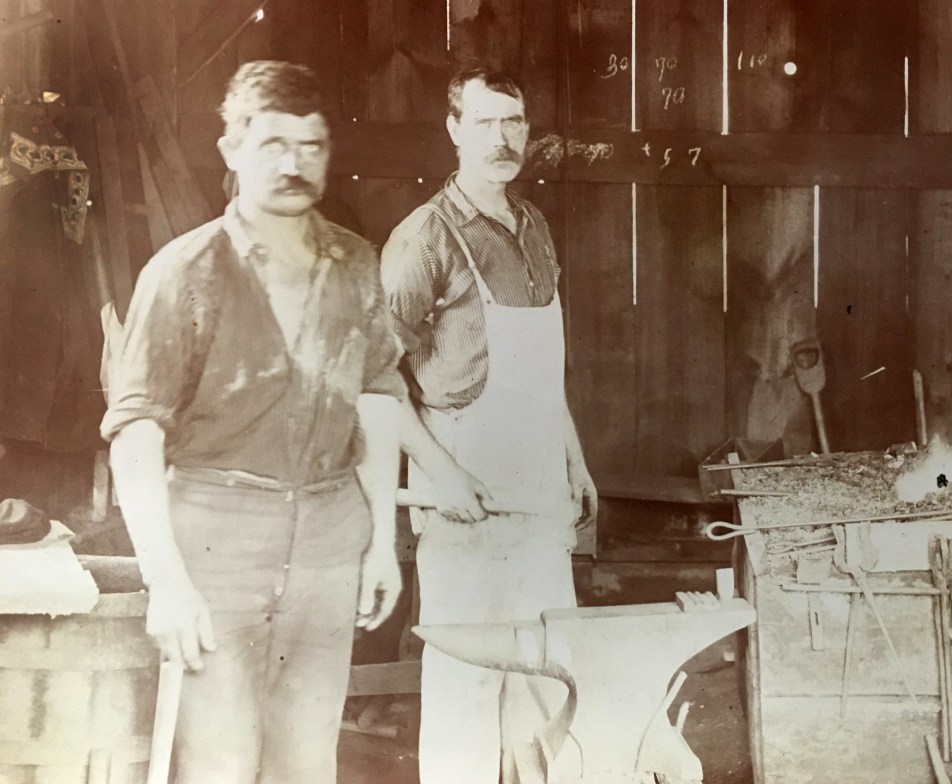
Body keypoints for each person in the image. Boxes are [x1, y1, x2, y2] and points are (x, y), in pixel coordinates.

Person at [101, 61, 405, 784]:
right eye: (272, 143)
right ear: (231, 148)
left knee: (308, 763)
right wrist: (167, 581)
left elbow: (378, 398)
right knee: (219, 764)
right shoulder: (185, 271)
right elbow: (137, 435)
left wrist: (384, 543)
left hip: (332, 540)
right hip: (217, 545)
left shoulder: (356, 264)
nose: (294, 164)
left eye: (311, 145)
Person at [381, 66, 598, 784]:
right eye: (485, 123)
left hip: (538, 490)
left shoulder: (532, 227)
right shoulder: (423, 240)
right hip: (461, 491)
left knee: (549, 677)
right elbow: (373, 381)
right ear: (453, 130)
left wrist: (574, 459)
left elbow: (541, 373)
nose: (504, 140)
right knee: (466, 685)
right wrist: (442, 475)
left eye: (515, 123)